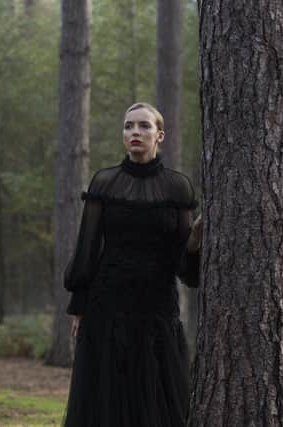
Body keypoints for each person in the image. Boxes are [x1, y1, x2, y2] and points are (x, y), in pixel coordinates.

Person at [63, 102, 202, 427]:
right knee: (108, 395)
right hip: (108, 304)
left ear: (160, 135)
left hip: (157, 305)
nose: (134, 132)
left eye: (143, 126)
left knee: (157, 395)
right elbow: (88, 248)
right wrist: (78, 305)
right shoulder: (105, 182)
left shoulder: (177, 186)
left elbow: (184, 266)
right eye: (128, 127)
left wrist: (194, 242)